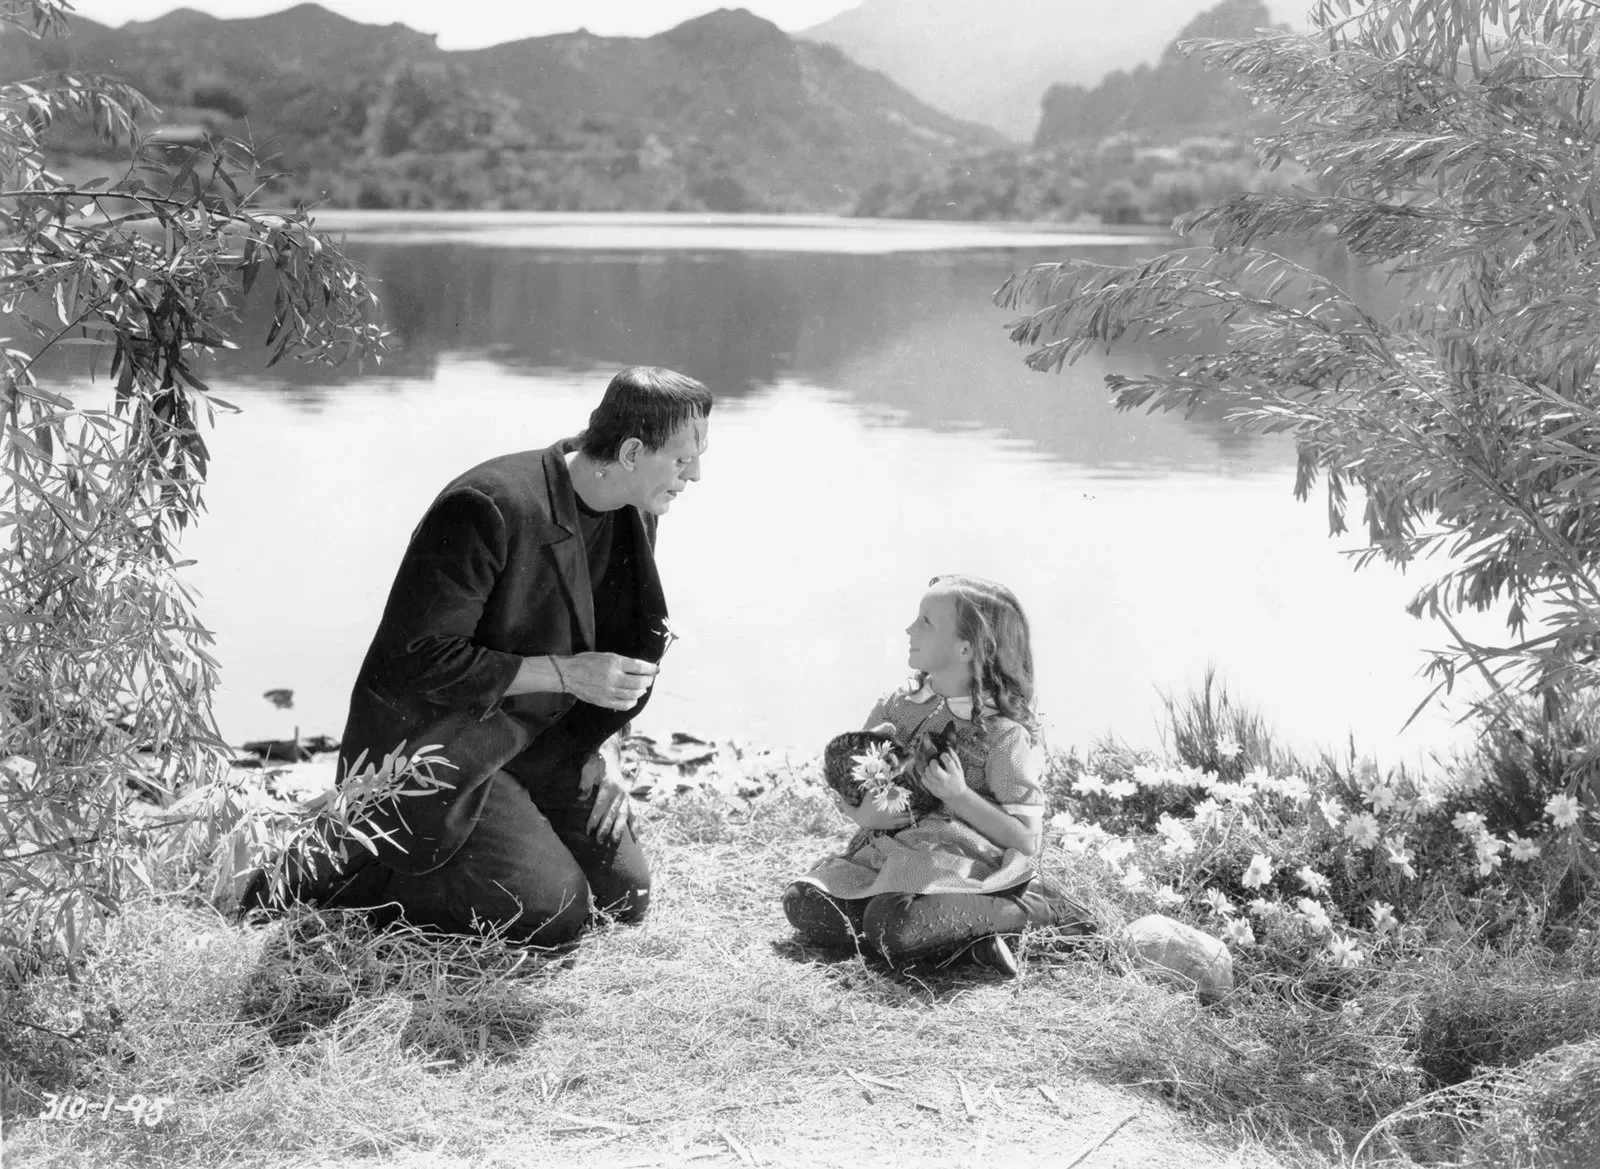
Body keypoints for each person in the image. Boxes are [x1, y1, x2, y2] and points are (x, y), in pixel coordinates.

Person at [244, 366, 712, 946]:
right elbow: (413, 660)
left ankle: (480, 839)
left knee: (625, 897)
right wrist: (565, 674)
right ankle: (333, 864)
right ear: (634, 451)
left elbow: (610, 648)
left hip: (546, 741)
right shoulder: (488, 505)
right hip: (443, 745)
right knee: (555, 913)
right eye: (685, 460)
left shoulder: (636, 505)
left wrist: (608, 750)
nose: (697, 475)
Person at [782, 574, 1082, 976]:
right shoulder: (896, 707)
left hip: (959, 866)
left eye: (927, 621)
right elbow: (865, 792)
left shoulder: (1002, 734)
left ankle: (1036, 907)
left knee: (894, 922)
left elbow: (1026, 840)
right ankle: (964, 944)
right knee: (804, 900)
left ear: (966, 648)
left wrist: (958, 795)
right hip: (890, 857)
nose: (910, 629)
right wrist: (861, 807)